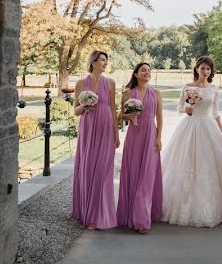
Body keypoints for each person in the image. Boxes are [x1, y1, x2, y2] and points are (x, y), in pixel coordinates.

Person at [161, 56, 222, 227]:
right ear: (197, 69)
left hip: (209, 127)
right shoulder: (188, 88)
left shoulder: (214, 89)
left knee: (210, 165)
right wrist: (188, 107)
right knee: (187, 162)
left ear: (211, 71)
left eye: (208, 69)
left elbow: (215, 113)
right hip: (191, 126)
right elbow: (179, 107)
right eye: (202, 68)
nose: (205, 72)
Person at [70, 50, 119, 229]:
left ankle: (101, 211)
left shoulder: (111, 82)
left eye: (106, 60)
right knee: (88, 167)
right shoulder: (81, 83)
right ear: (93, 62)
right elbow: (75, 111)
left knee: (104, 169)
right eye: (102, 60)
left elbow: (113, 109)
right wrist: (85, 104)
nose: (105, 63)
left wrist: (116, 133)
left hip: (106, 128)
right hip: (89, 129)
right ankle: (87, 213)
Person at [116, 62, 163, 233]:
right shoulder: (128, 93)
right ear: (136, 74)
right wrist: (131, 115)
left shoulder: (156, 93)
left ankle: (142, 218)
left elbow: (160, 117)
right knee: (133, 173)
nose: (147, 73)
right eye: (143, 70)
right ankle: (129, 213)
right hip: (134, 136)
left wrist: (158, 137)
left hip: (150, 135)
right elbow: (122, 116)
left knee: (147, 176)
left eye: (149, 71)